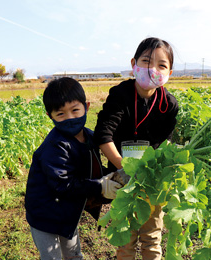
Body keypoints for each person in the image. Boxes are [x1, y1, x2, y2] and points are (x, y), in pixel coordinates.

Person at [94, 37, 179, 260]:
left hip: (152, 178)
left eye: (162, 65)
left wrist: (149, 173)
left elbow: (163, 145)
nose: (153, 69)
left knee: (152, 236)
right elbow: (104, 135)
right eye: (146, 61)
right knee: (126, 238)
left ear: (170, 71)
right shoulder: (120, 95)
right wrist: (126, 169)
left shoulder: (168, 104)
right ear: (134, 64)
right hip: (122, 173)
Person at [24, 77, 122, 260]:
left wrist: (114, 176)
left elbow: (95, 168)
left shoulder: (90, 138)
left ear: (87, 106)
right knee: (51, 257)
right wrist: (100, 186)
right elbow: (63, 185)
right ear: (50, 116)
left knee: (73, 253)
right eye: (61, 114)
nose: (69, 118)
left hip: (67, 210)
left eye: (75, 110)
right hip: (43, 214)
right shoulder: (55, 147)